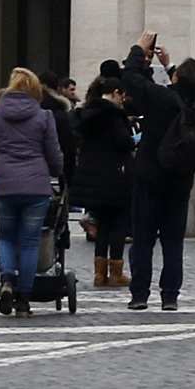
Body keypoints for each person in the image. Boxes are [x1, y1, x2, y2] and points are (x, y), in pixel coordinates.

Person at [119, 45, 195, 312]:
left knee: (143, 239)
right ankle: (170, 296)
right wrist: (169, 67)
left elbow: (131, 79)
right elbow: (191, 89)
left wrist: (138, 49)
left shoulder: (160, 98)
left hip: (150, 176)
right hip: (180, 181)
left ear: (177, 79)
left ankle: (140, 295)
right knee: (172, 242)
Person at [0, 68, 61, 301]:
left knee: (5, 237)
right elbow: (53, 154)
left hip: (5, 184)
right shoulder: (44, 117)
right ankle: (24, 297)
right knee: (29, 242)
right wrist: (55, 173)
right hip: (36, 186)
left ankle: (7, 280)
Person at [67, 65, 133, 292]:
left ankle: (99, 273)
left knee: (102, 224)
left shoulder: (88, 112)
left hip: (92, 176)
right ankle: (115, 272)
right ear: (115, 92)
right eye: (122, 95)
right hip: (113, 174)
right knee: (118, 224)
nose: (123, 100)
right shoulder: (113, 115)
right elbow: (124, 142)